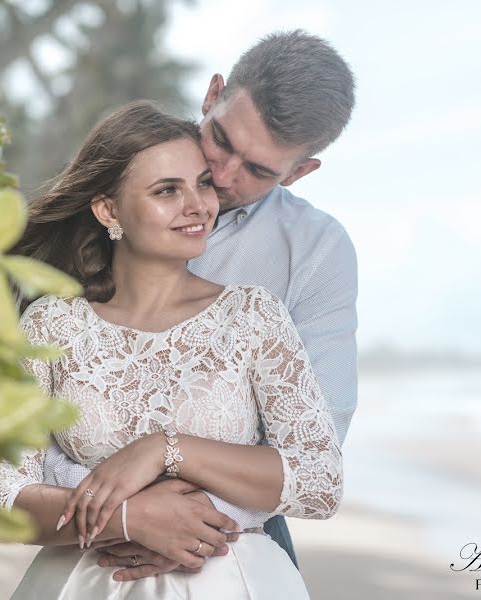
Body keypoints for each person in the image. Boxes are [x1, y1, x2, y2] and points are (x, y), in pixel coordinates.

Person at [0, 100, 342, 599]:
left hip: (232, 582)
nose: (197, 206)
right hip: (87, 583)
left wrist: (165, 451)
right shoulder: (52, 324)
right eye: (166, 191)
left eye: (201, 183)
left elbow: (320, 481)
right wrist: (129, 518)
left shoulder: (253, 316)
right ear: (109, 210)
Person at [40, 29, 358, 581]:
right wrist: (127, 515)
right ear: (212, 96)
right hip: (85, 515)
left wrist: (198, 522)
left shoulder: (316, 250)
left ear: (299, 172)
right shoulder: (118, 185)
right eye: (222, 140)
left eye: (259, 170)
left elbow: (317, 436)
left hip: (240, 522)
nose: (225, 177)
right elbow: (34, 410)